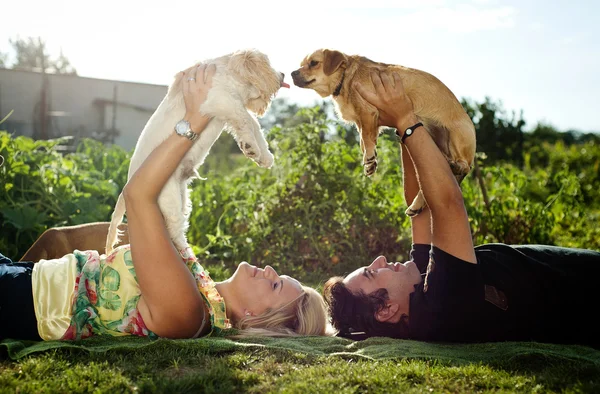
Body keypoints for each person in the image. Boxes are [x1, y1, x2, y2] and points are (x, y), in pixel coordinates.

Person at [0, 64, 330, 342]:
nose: (271, 270)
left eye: (275, 285)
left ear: (254, 317)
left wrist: (194, 118)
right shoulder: (197, 286)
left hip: (18, 299)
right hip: (22, 279)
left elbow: (138, 196)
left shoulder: (187, 314)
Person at [323, 71, 600, 348]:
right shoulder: (442, 307)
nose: (380, 259)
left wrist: (399, 121)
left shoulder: (418, 287)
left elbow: (421, 209)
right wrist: (406, 121)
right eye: (372, 273)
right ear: (386, 311)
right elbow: (447, 204)